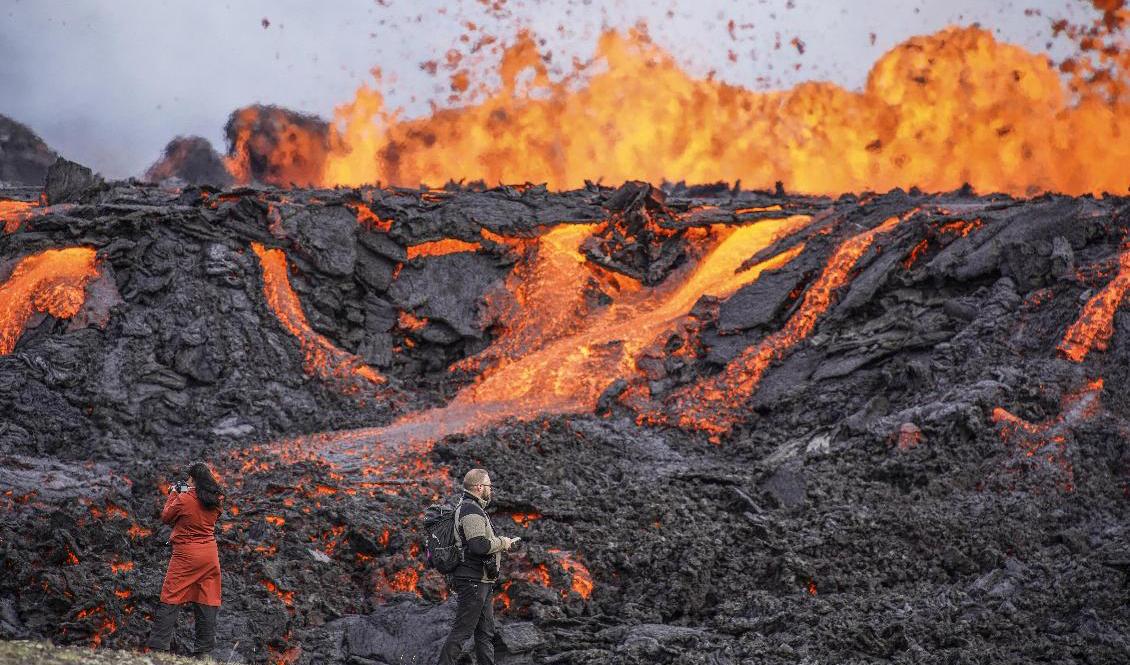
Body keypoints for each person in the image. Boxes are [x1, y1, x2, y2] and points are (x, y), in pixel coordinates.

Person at [437, 468, 519, 665]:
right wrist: (504, 542)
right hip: (473, 581)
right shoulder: (470, 510)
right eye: (489, 486)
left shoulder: (472, 507)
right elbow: (478, 546)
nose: (491, 490)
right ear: (479, 487)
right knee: (462, 632)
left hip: (481, 581)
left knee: (484, 633)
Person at [146, 461, 224, 657]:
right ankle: (203, 653)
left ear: (193, 479)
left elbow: (166, 516)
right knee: (208, 598)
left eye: (189, 479)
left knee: (171, 596)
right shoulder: (215, 499)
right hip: (209, 555)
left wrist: (175, 492)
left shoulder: (184, 498)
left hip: (186, 555)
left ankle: (158, 647)